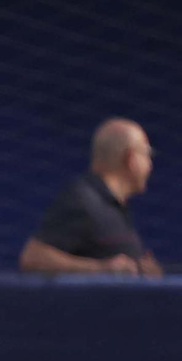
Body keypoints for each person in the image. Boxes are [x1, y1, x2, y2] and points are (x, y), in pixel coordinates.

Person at [20, 118, 161, 276]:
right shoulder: (84, 201)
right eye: (147, 154)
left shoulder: (113, 204)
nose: (150, 165)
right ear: (131, 159)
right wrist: (102, 269)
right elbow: (33, 258)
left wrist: (144, 273)